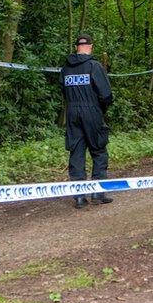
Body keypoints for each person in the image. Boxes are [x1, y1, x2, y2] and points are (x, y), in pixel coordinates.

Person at [61, 34, 114, 209]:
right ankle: (98, 193)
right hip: (92, 111)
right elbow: (106, 95)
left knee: (76, 152)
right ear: (90, 47)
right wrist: (101, 110)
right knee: (98, 149)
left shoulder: (66, 69)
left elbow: (63, 91)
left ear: (77, 47)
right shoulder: (94, 66)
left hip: (72, 112)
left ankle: (79, 197)